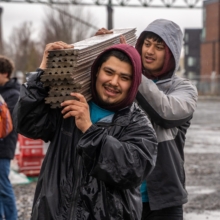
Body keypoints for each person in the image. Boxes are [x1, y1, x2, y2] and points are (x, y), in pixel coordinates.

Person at [13, 42, 158, 220]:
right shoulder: (69, 106)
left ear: (133, 83)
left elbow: (131, 172)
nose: (113, 82)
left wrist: (89, 130)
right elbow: (26, 123)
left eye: (124, 77)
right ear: (97, 71)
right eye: (109, 72)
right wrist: (43, 71)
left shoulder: (138, 124)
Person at [96, 19, 198, 220]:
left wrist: (133, 69)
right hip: (121, 194)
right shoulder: (124, 79)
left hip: (163, 201)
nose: (150, 51)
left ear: (171, 53)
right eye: (147, 44)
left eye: (159, 47)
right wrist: (102, 51)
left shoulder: (185, 89)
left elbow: (165, 111)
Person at [0, 56, 20, 220]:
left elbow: (10, 122)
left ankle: (12, 218)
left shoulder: (13, 94)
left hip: (3, 147)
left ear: (5, 73)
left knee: (3, 187)